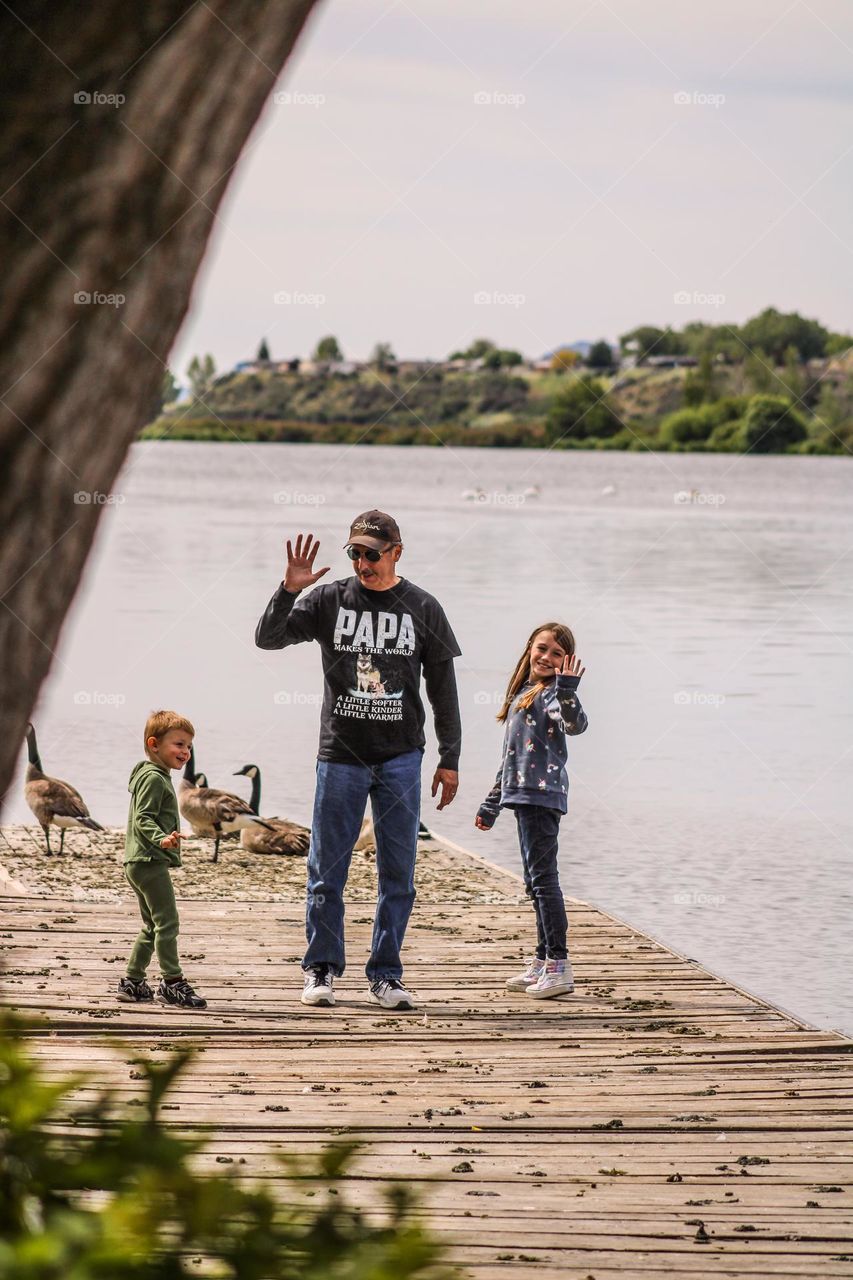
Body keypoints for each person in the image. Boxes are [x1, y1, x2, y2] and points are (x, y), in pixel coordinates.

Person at [255, 510, 461, 1011]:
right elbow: (268, 638)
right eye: (355, 553)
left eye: (372, 553)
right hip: (340, 756)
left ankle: (386, 975)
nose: (363, 562)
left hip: (401, 759)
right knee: (327, 868)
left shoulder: (422, 607)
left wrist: (449, 757)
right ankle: (321, 968)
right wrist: (288, 589)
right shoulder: (329, 599)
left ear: (396, 552)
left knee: (399, 872)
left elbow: (443, 689)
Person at [475, 623, 588, 998]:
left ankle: (559, 965)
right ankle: (542, 960)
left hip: (543, 797)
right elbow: (511, 759)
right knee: (534, 883)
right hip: (521, 796)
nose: (546, 657)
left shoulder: (555, 694)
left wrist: (568, 689)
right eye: (542, 649)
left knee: (545, 881)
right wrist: (492, 802)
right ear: (529, 649)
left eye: (557, 654)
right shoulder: (525, 693)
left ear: (565, 662)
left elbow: (575, 725)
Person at [119, 709, 207, 1009]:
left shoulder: (149, 774)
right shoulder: (155, 779)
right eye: (179, 744)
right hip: (148, 861)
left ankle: (132, 982)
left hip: (136, 862)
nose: (186, 752)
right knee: (168, 922)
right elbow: (144, 818)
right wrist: (161, 838)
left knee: (152, 925)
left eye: (189, 746)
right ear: (154, 744)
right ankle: (172, 982)